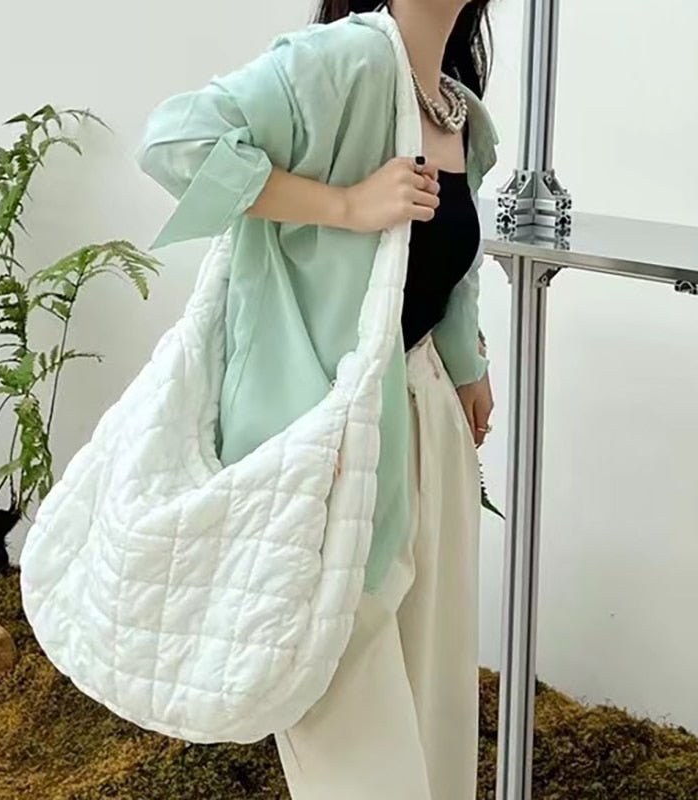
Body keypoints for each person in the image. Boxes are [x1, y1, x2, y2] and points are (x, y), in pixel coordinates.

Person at [135, 0, 498, 796]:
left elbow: (445, 261)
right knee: (356, 746)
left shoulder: (458, 110)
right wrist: (345, 204)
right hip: (328, 443)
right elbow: (173, 141)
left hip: (427, 426)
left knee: (437, 715)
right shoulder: (345, 61)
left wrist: (466, 364)